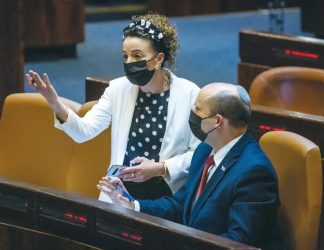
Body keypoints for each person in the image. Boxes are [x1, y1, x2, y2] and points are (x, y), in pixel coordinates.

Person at [25, 13, 200, 201]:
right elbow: (83, 131)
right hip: (120, 194)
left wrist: (161, 167)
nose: (129, 62)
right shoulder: (118, 88)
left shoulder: (190, 94)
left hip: (167, 197)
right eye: (125, 56)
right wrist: (53, 100)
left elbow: (199, 155)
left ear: (158, 59)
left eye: (137, 55)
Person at [97, 83, 282, 249]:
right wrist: (132, 205)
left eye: (197, 108)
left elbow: (238, 241)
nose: (191, 112)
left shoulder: (254, 172)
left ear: (217, 121)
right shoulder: (204, 150)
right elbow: (180, 204)